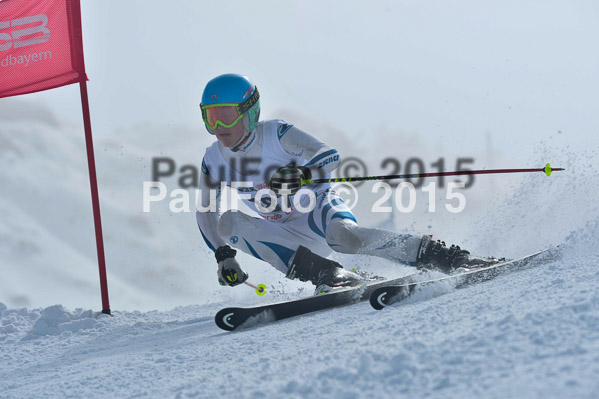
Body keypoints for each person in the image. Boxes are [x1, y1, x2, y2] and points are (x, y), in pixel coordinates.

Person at [196, 73, 487, 293]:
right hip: (288, 238)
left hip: (317, 211)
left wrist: (303, 173)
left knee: (345, 238)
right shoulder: (213, 159)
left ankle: (448, 257)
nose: (218, 128)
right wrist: (223, 256)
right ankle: (326, 274)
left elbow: (328, 155)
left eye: (225, 116)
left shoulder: (275, 133)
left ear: (250, 111)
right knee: (228, 222)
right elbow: (206, 209)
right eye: (210, 118)